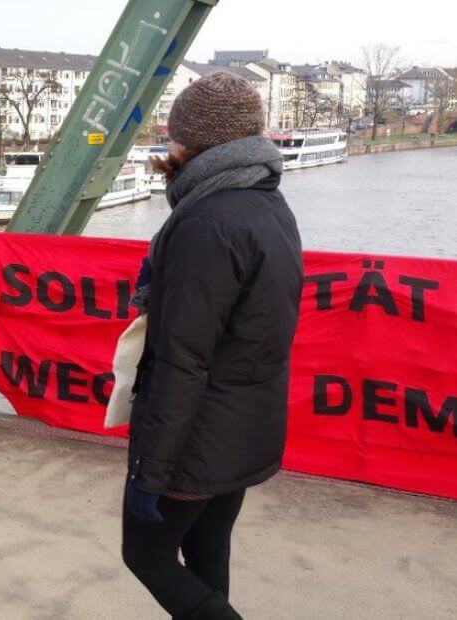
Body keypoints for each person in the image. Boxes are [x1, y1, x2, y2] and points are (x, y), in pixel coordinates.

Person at [122, 71, 304, 619]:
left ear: (191, 140)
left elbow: (183, 359)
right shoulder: (268, 204)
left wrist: (149, 472)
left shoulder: (206, 222)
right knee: (206, 548)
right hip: (245, 425)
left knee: (147, 554)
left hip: (198, 435)